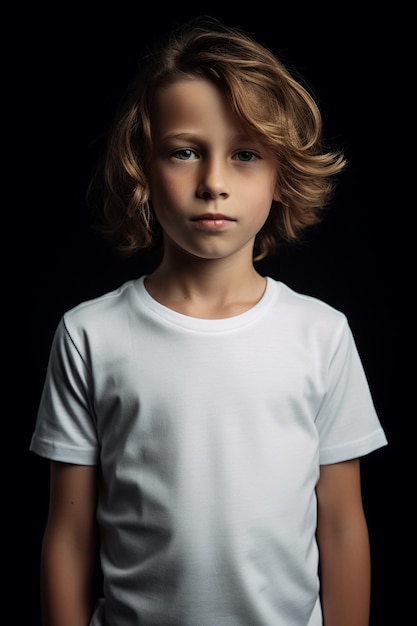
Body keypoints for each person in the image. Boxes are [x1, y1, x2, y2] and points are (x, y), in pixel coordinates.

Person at [30, 15, 388, 626]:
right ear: (145, 169)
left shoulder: (321, 333)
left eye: (245, 154)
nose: (214, 183)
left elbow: (343, 525)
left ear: (280, 176)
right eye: (185, 152)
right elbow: (69, 535)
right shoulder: (91, 334)